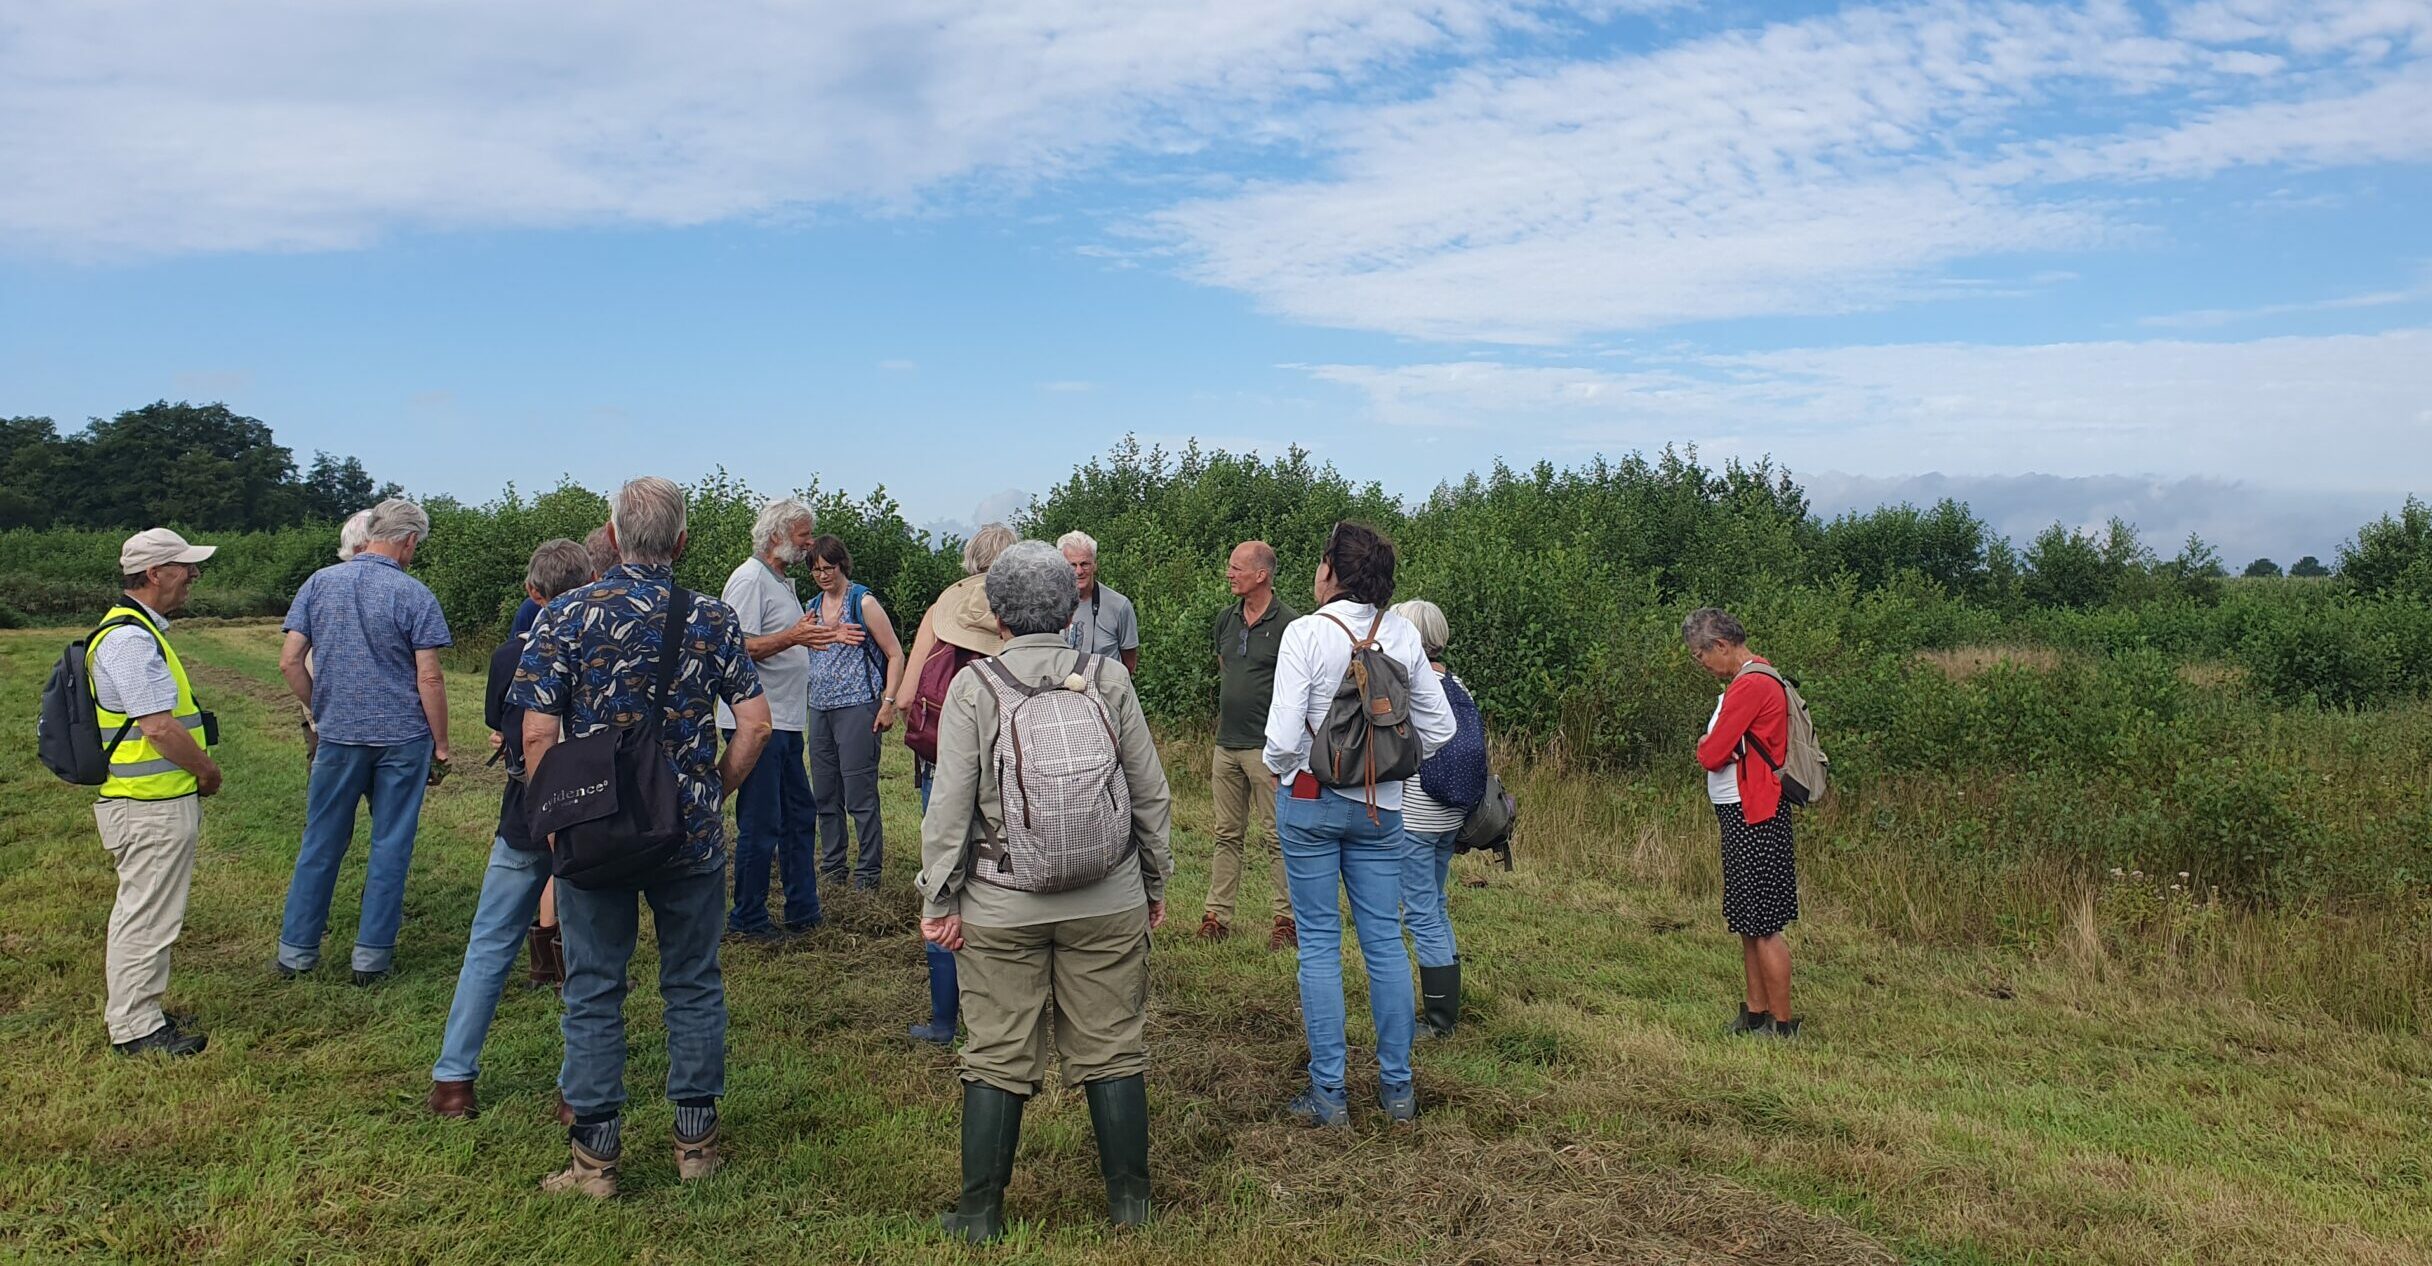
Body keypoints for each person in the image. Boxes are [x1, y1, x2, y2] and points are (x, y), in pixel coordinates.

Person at [515, 476, 772, 1197]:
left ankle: (594, 1162)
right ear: (682, 541)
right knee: (692, 982)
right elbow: (755, 724)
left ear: (613, 533)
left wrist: (558, 817)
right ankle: (697, 1148)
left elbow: (536, 731)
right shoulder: (713, 618)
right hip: (685, 833)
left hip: (593, 834)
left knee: (594, 985)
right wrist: (711, 793)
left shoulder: (563, 616)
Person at [917, 540, 1174, 1242]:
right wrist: (1154, 879)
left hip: (1001, 904)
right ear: (1070, 608)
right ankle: (1131, 1209)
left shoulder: (976, 687)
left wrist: (939, 900)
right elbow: (1149, 792)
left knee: (996, 1050)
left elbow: (950, 808)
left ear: (996, 614)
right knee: (1114, 1048)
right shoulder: (1110, 679)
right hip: (1109, 894)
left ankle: (978, 1217)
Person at [1263, 521, 1454, 1127]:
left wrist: (1284, 770)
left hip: (1311, 800)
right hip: (1385, 810)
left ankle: (1330, 1097)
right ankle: (1398, 1092)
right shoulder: (1401, 634)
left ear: (1331, 572)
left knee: (1318, 946)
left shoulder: (1305, 633)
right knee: (1385, 945)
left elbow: (1280, 736)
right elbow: (1442, 728)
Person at [427, 539, 593, 1117]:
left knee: (490, 941)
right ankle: (577, 1091)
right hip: (587, 811)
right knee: (588, 951)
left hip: (525, 807)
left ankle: (454, 1080)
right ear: (591, 581)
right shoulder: (600, 646)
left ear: (533, 592)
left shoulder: (510, 654)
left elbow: (503, 723)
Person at [275, 498, 451, 985]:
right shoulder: (415, 595)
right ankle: (370, 958)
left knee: (321, 840)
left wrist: (321, 711)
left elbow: (290, 661)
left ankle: (296, 952)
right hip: (402, 738)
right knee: (390, 844)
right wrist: (441, 744)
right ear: (410, 541)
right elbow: (429, 679)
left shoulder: (318, 584)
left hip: (338, 736)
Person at [86, 528, 224, 1057]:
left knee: (148, 911)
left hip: (148, 802)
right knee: (147, 916)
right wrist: (206, 771)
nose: (192, 575)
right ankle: (137, 1030)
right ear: (153, 574)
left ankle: (140, 1010)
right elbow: (159, 728)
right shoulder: (130, 639)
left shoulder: (137, 630)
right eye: (184, 566)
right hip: (149, 806)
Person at [893, 523, 1015, 1045]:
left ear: (969, 559)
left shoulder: (942, 609)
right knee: (1005, 881)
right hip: (1011, 770)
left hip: (945, 768)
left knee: (944, 878)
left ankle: (944, 1021)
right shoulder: (1024, 613)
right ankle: (1003, 1020)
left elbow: (904, 698)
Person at [1685, 607, 1800, 1039]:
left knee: (1765, 924)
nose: (1702, 666)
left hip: (1756, 813)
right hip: (1745, 811)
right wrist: (1717, 745)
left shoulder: (1750, 684)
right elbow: (1725, 747)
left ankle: (1782, 1024)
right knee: (1748, 921)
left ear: (1721, 645)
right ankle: (1755, 1013)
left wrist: (1708, 746)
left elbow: (1712, 754)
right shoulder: (1752, 678)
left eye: (1701, 657)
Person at [719, 499, 827, 939]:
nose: (809, 544)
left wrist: (812, 637)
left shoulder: (780, 581)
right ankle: (747, 918)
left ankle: (803, 910)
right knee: (761, 822)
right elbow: (736, 647)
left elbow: (783, 639)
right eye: (803, 535)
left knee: (799, 815)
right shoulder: (748, 580)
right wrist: (793, 636)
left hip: (785, 719)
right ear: (777, 536)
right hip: (756, 720)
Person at [1388, 598, 1481, 1038]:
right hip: (1450, 814)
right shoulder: (1458, 686)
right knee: (1435, 905)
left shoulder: (1410, 687)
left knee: (1420, 912)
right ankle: (1448, 998)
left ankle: (1441, 1019)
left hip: (1416, 815)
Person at [1203, 540, 1297, 950]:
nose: (1229, 573)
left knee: (1277, 835)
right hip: (1226, 744)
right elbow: (1227, 667)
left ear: (1261, 575)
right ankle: (1216, 916)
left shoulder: (1290, 624)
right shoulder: (1226, 619)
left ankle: (1287, 920)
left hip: (1267, 748)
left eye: (1237, 567)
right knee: (1226, 833)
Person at [805, 534, 907, 892]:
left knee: (860, 796)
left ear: (842, 565)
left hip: (857, 707)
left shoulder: (862, 603)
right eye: (816, 570)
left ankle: (867, 876)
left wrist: (889, 702)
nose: (822, 575)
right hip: (818, 709)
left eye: (828, 568)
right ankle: (832, 870)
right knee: (825, 796)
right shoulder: (811, 607)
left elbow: (895, 653)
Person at [1057, 531, 1139, 675]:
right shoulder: (1048, 603)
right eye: (1072, 565)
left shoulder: (1119, 605)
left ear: (1095, 565)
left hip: (1106, 692)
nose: (1079, 571)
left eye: (1085, 564)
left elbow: (1129, 665)